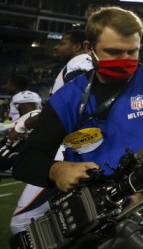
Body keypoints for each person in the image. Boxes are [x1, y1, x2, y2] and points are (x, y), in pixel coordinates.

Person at [13, 6, 143, 248]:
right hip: (87, 207)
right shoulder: (68, 98)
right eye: (114, 52)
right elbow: (26, 161)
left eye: (133, 52)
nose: (125, 61)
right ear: (89, 49)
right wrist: (57, 171)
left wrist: (138, 194)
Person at [10, 30, 93, 236]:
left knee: (22, 223)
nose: (56, 47)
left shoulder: (80, 61)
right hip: (74, 148)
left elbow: (78, 101)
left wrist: (24, 124)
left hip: (67, 151)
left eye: (63, 42)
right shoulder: (73, 65)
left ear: (79, 46)